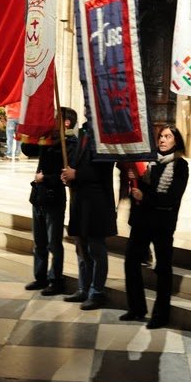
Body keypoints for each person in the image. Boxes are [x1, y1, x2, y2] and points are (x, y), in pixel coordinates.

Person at [122, 125, 189, 329]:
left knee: (163, 269)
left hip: (162, 223)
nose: (162, 139)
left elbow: (172, 197)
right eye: (161, 136)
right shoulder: (147, 162)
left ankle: (161, 315)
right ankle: (136, 308)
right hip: (142, 222)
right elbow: (137, 189)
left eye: (168, 136)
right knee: (131, 263)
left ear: (176, 141)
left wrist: (146, 197)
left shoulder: (180, 165)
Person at [61, 121, 117, 310]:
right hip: (80, 199)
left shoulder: (106, 131)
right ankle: (83, 288)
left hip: (97, 202)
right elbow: (77, 160)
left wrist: (77, 174)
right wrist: (68, 175)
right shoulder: (85, 130)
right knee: (81, 247)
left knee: (96, 249)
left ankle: (97, 291)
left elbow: (104, 169)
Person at [22, 107, 77, 296]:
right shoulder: (47, 138)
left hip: (54, 197)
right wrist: (32, 129)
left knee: (54, 243)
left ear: (66, 123)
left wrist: (45, 179)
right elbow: (27, 149)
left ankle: (56, 280)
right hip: (38, 197)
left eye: (56, 118)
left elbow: (66, 174)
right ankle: (40, 277)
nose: (51, 120)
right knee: (39, 242)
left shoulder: (69, 143)